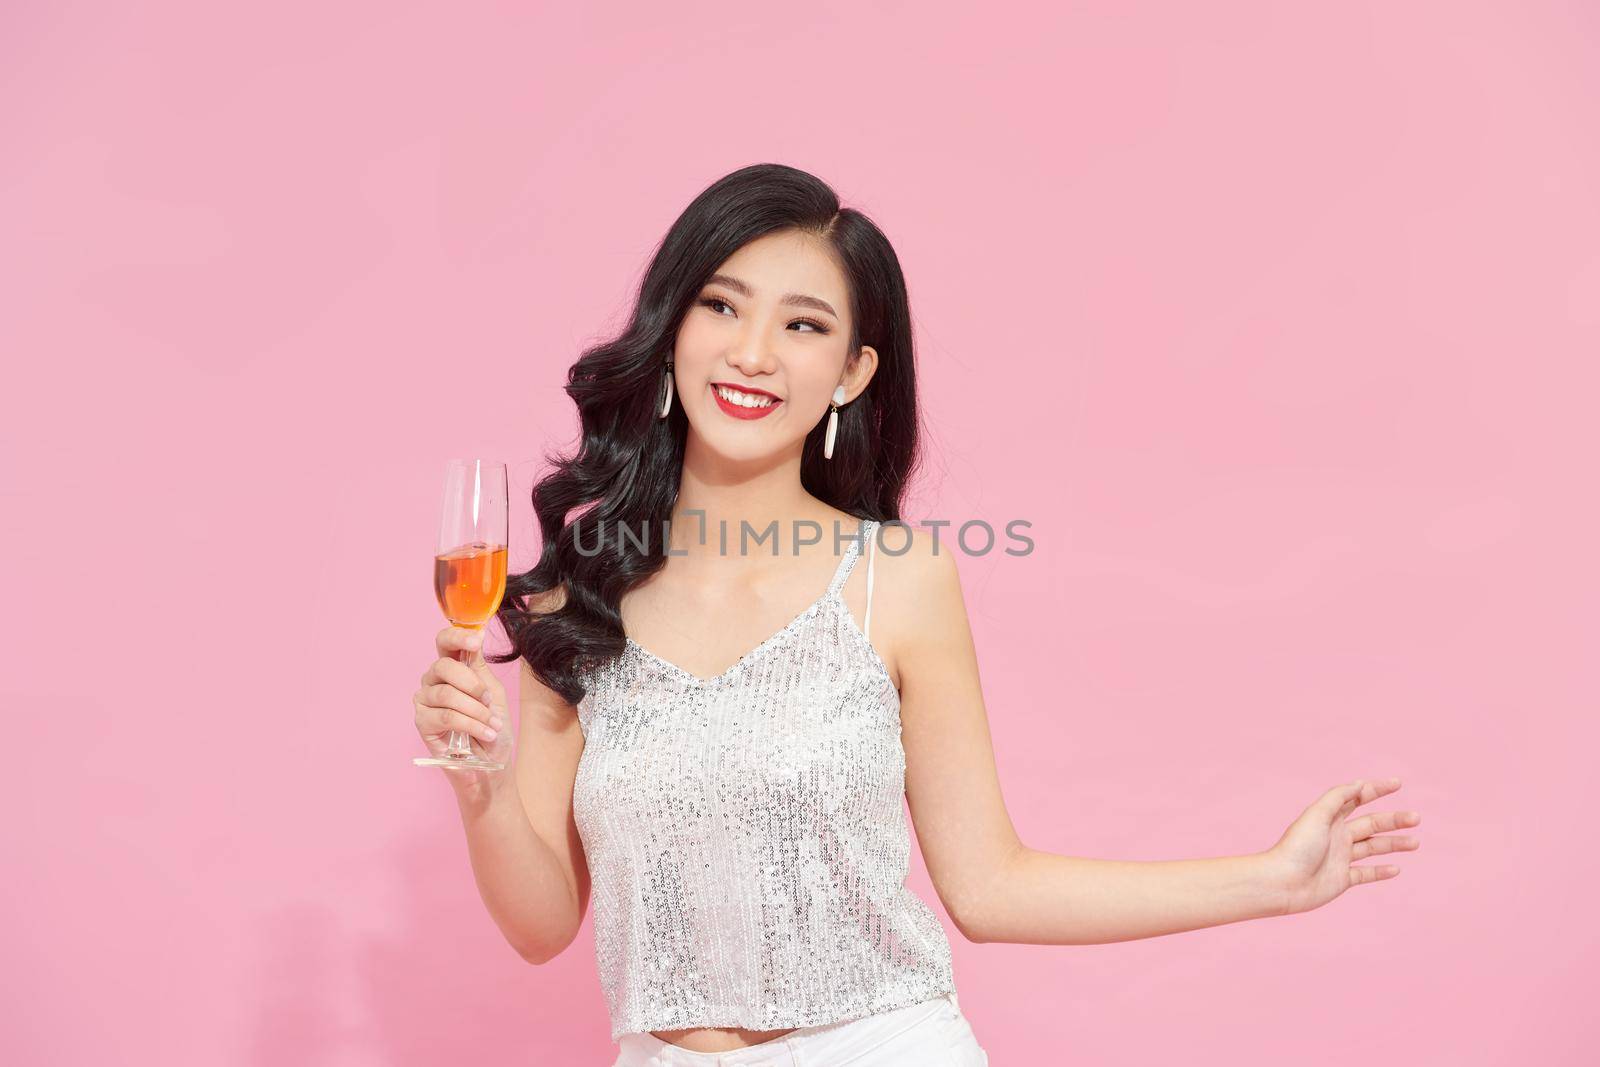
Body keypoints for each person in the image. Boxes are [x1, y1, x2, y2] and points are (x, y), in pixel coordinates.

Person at [412, 163, 1423, 1065]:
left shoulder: (895, 580)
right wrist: (481, 784)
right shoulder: (574, 595)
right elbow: (541, 924)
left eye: (804, 324)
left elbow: (989, 886)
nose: (754, 351)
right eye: (723, 306)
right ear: (673, 328)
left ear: (853, 371)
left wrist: (1274, 880)